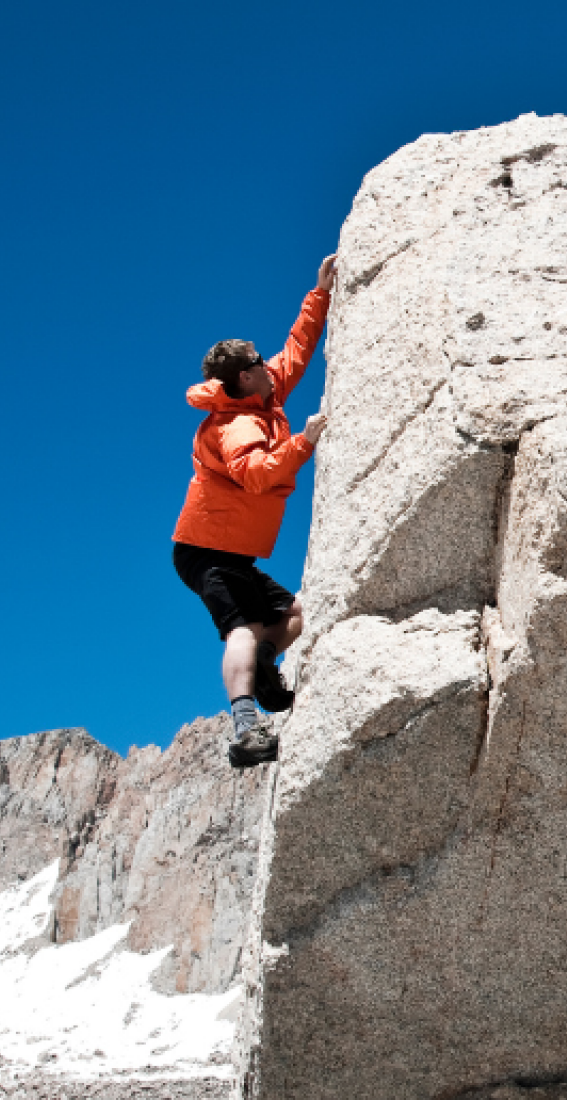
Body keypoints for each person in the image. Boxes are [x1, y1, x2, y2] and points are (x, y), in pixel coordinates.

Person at [173, 255, 336, 768]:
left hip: (232, 552)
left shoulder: (259, 399)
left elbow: (295, 355)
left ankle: (265, 665)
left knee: (294, 615)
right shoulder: (237, 425)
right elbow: (256, 474)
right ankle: (245, 729)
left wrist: (321, 295)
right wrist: (304, 443)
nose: (269, 364)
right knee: (241, 627)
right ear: (245, 376)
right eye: (258, 361)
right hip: (206, 551)